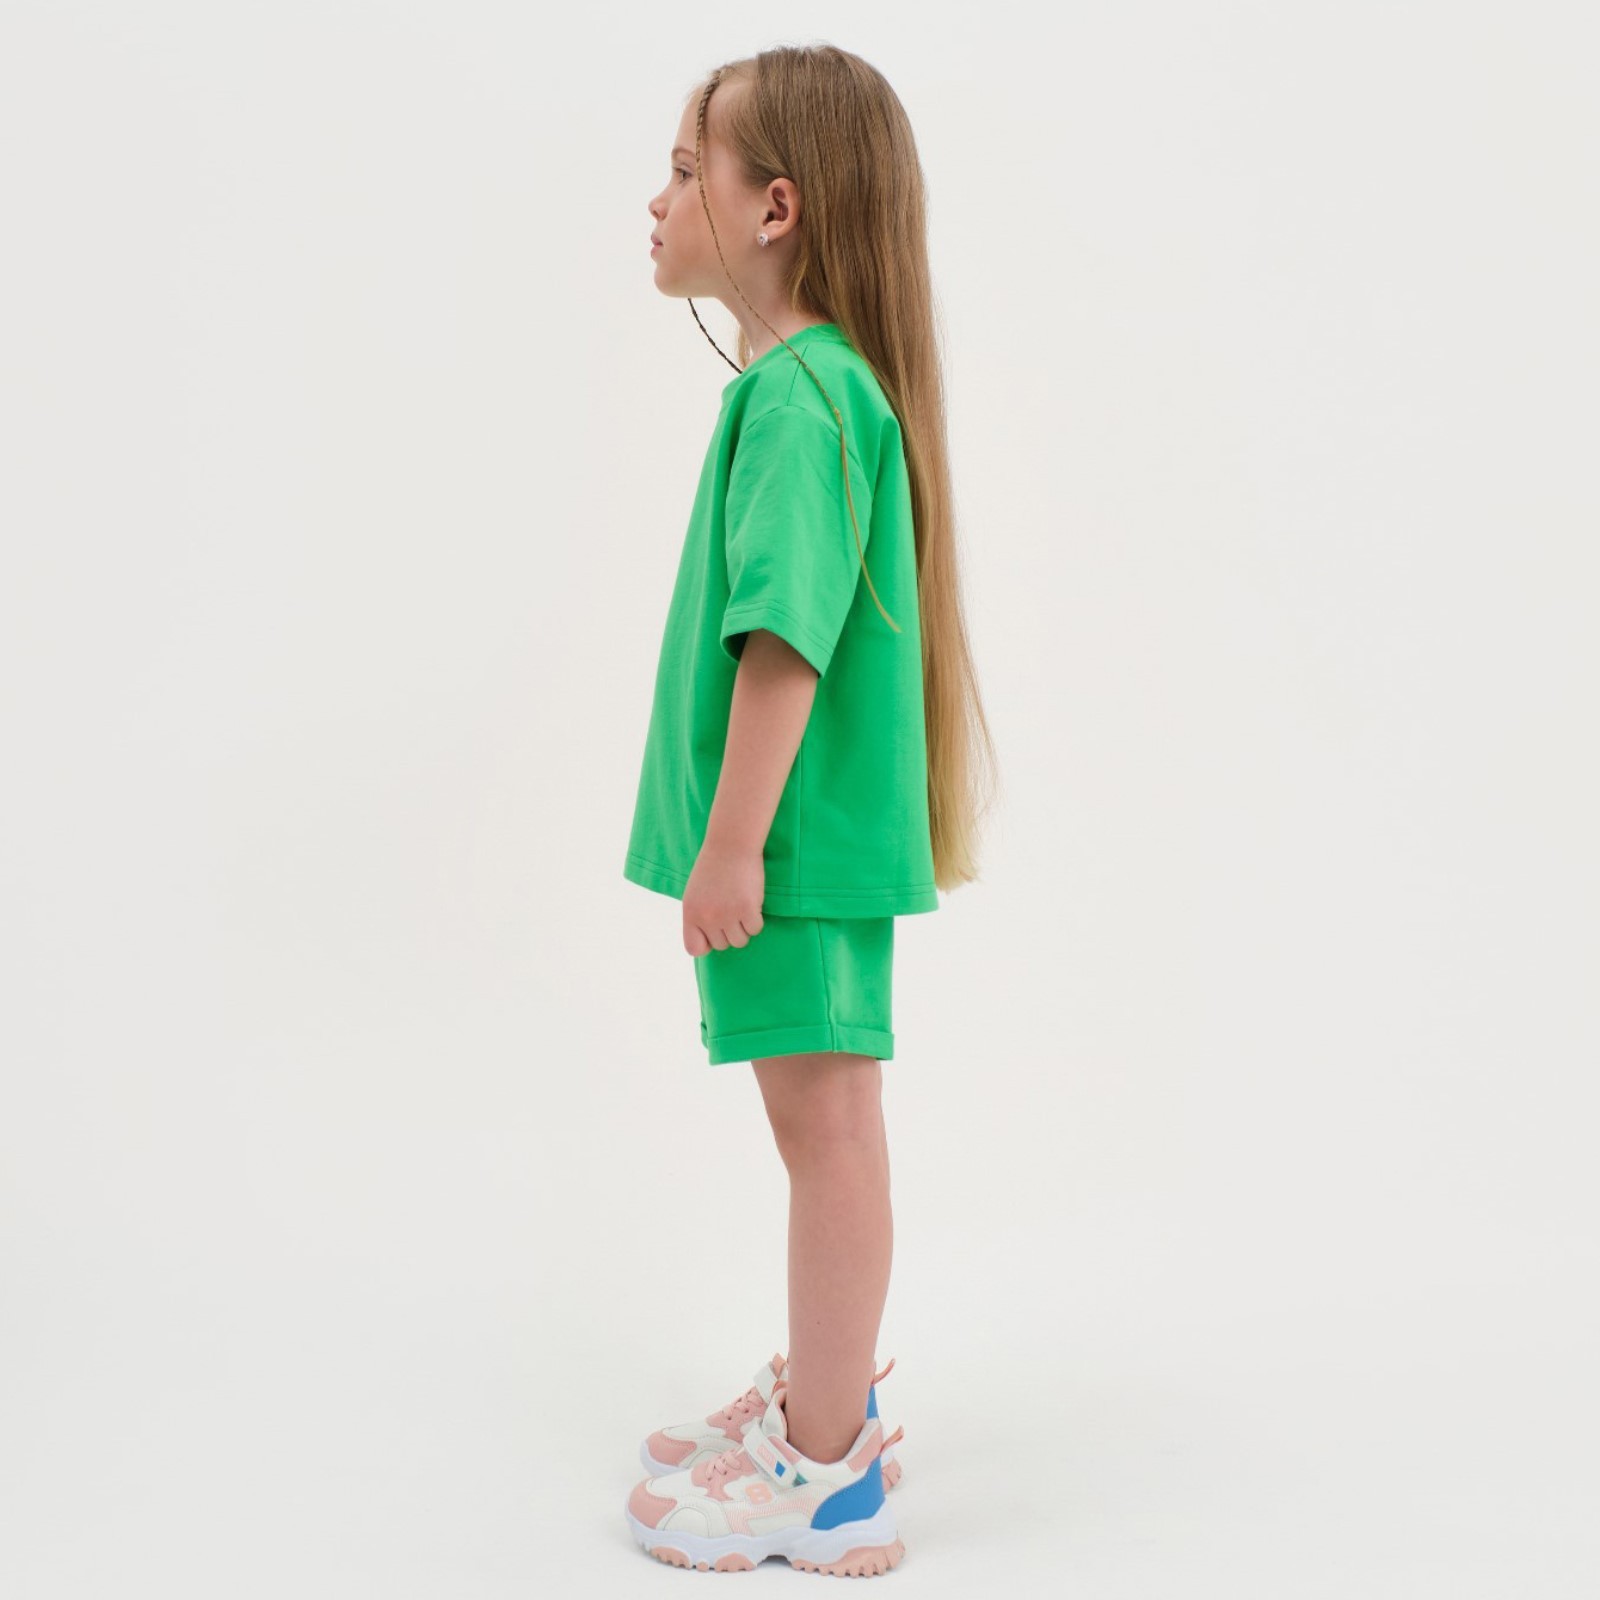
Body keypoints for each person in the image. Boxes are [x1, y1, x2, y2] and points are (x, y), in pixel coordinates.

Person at [620, 44, 998, 1576]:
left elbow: (784, 640)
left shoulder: (802, 400)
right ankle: (825, 1403)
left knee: (826, 1130)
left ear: (775, 208)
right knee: (823, 1123)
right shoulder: (812, 389)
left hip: (787, 850)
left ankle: (827, 1469)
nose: (656, 201)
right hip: (798, 846)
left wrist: (730, 846)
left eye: (683, 170)